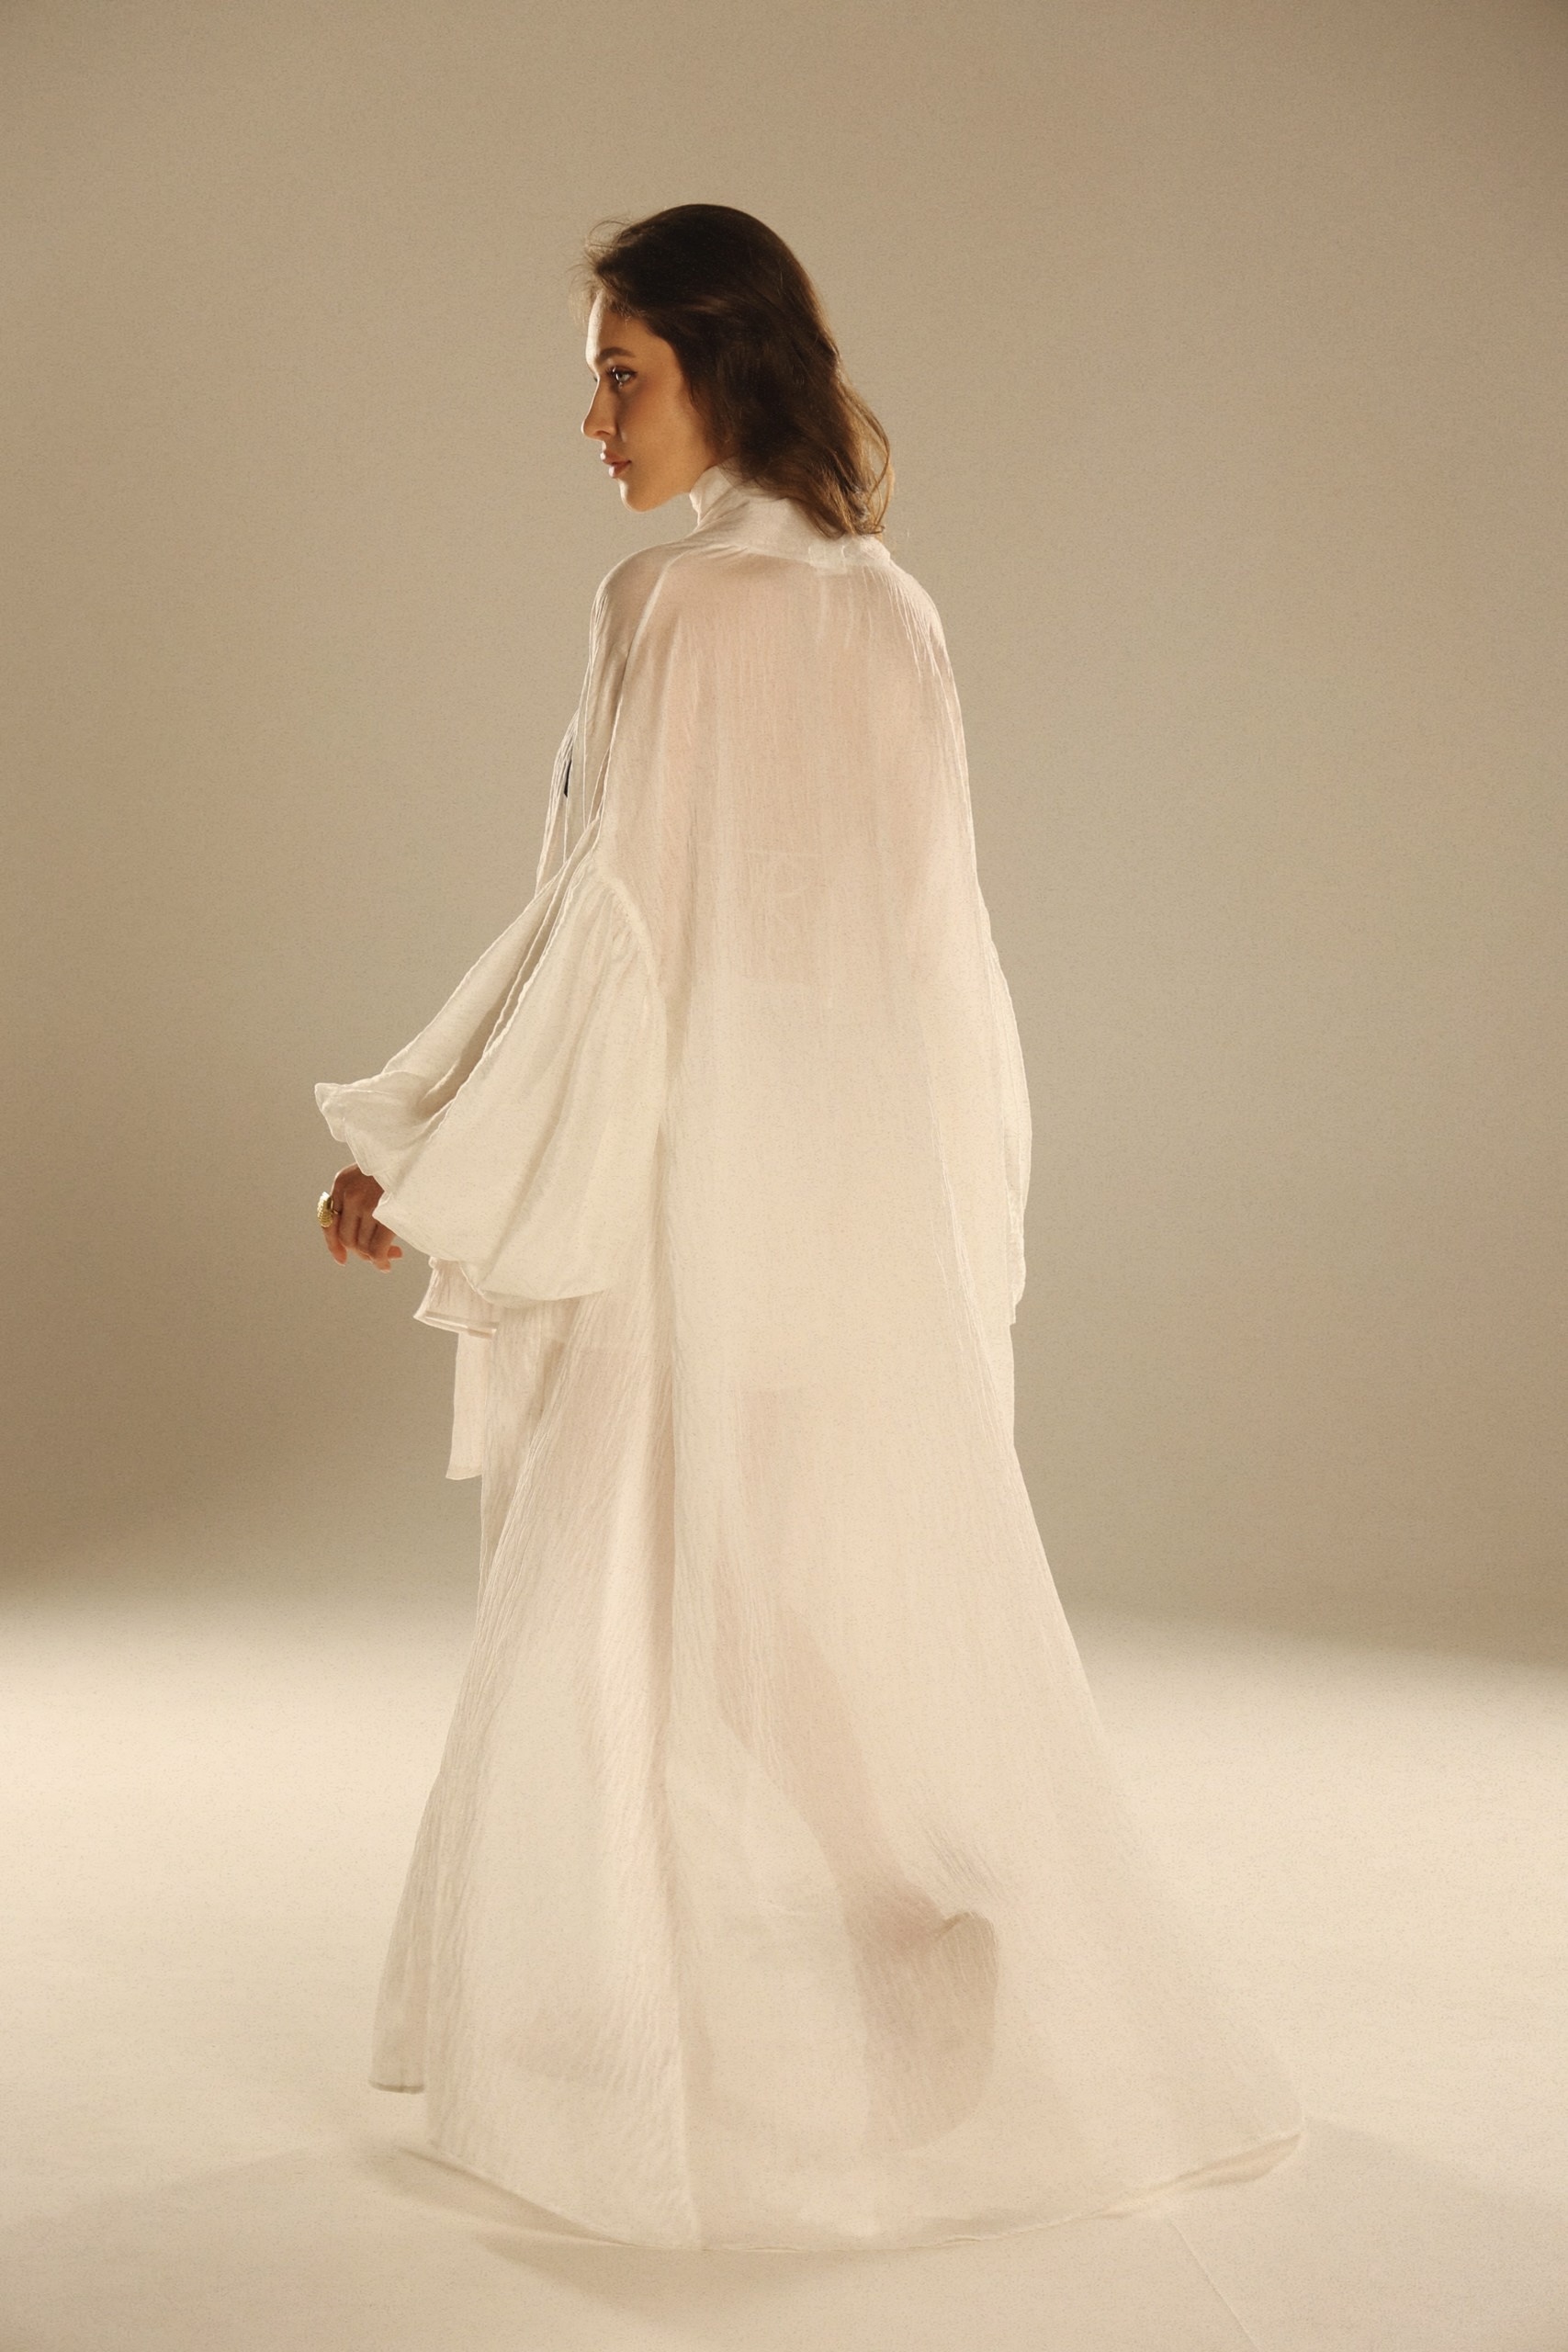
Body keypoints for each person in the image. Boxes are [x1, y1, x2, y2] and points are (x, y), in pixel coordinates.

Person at [314, 203, 1304, 2253]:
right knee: (765, 1579)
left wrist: (423, 1150)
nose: (592, 423)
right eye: (595, 379)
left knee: (644, 1584)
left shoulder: (670, 610)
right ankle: (876, 1932)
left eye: (622, 377)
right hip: (840, 1185)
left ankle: (712, 2016)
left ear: (724, 367)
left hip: (684, 1174)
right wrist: (942, 1207)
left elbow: (601, 932)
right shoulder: (890, 609)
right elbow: (936, 953)